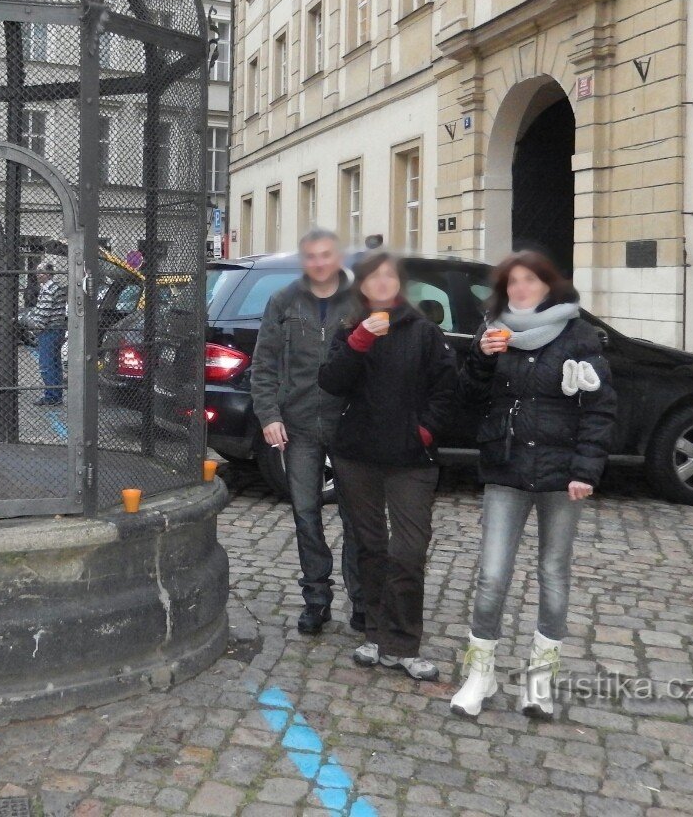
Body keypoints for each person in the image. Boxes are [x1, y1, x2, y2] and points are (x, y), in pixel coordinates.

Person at [449, 251, 617, 719]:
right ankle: (479, 675)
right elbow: (467, 398)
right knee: (492, 576)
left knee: (553, 576)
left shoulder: (579, 337)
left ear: (549, 286)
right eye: (513, 283)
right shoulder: (493, 333)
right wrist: (481, 360)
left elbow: (600, 408)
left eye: (530, 280)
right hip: (506, 470)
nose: (520, 289)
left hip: (561, 478)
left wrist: (586, 470)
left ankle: (539, 682)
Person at [317, 251, 458, 681]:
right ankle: (376, 635)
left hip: (411, 459)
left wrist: (426, 432)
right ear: (362, 286)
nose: (381, 283)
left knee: (409, 550)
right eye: (373, 278)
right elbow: (331, 382)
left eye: (389, 277)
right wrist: (359, 342)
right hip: (357, 454)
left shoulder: (424, 332)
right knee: (370, 547)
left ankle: (404, 642)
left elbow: (448, 389)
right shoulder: (349, 330)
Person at [250, 228, 363, 636]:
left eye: (326, 255)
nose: (318, 263)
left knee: (357, 515)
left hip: (348, 426)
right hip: (298, 425)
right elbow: (263, 364)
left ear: (337, 259)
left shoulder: (360, 301)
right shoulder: (283, 301)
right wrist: (268, 415)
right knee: (305, 513)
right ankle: (316, 599)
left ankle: (362, 599)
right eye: (311, 256)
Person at [29, 261, 66, 406]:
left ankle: (51, 396)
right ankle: (56, 394)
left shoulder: (48, 290)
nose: (38, 274)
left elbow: (43, 316)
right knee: (55, 363)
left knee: (46, 364)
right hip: (57, 329)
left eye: (42, 272)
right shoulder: (56, 288)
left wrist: (31, 323)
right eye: (37, 271)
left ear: (49, 274)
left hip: (49, 330)